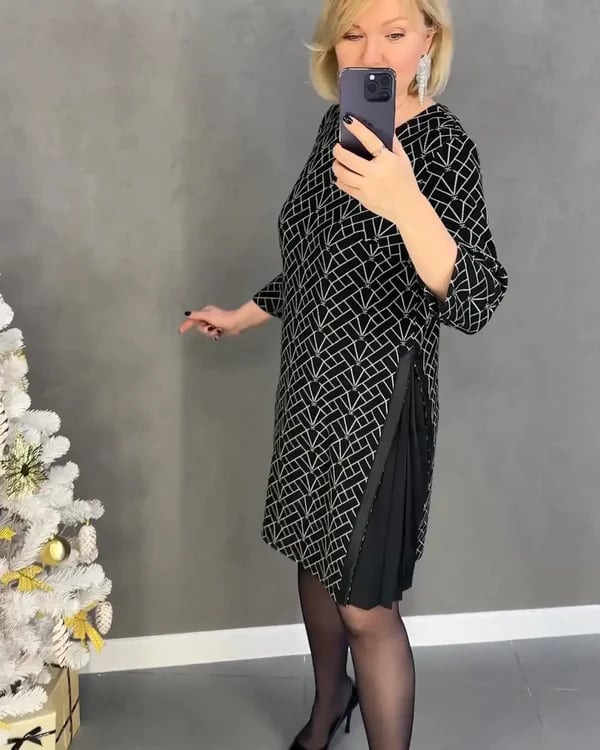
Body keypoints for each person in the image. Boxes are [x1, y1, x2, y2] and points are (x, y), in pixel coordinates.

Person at [180, 0, 508, 747]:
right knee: (315, 561)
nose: (372, 51)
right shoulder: (341, 127)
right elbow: (317, 260)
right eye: (353, 33)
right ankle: (330, 705)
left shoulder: (444, 145)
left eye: (394, 32)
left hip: (380, 399)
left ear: (428, 39)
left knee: (365, 607)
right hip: (311, 383)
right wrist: (244, 313)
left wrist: (406, 202)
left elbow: (479, 298)